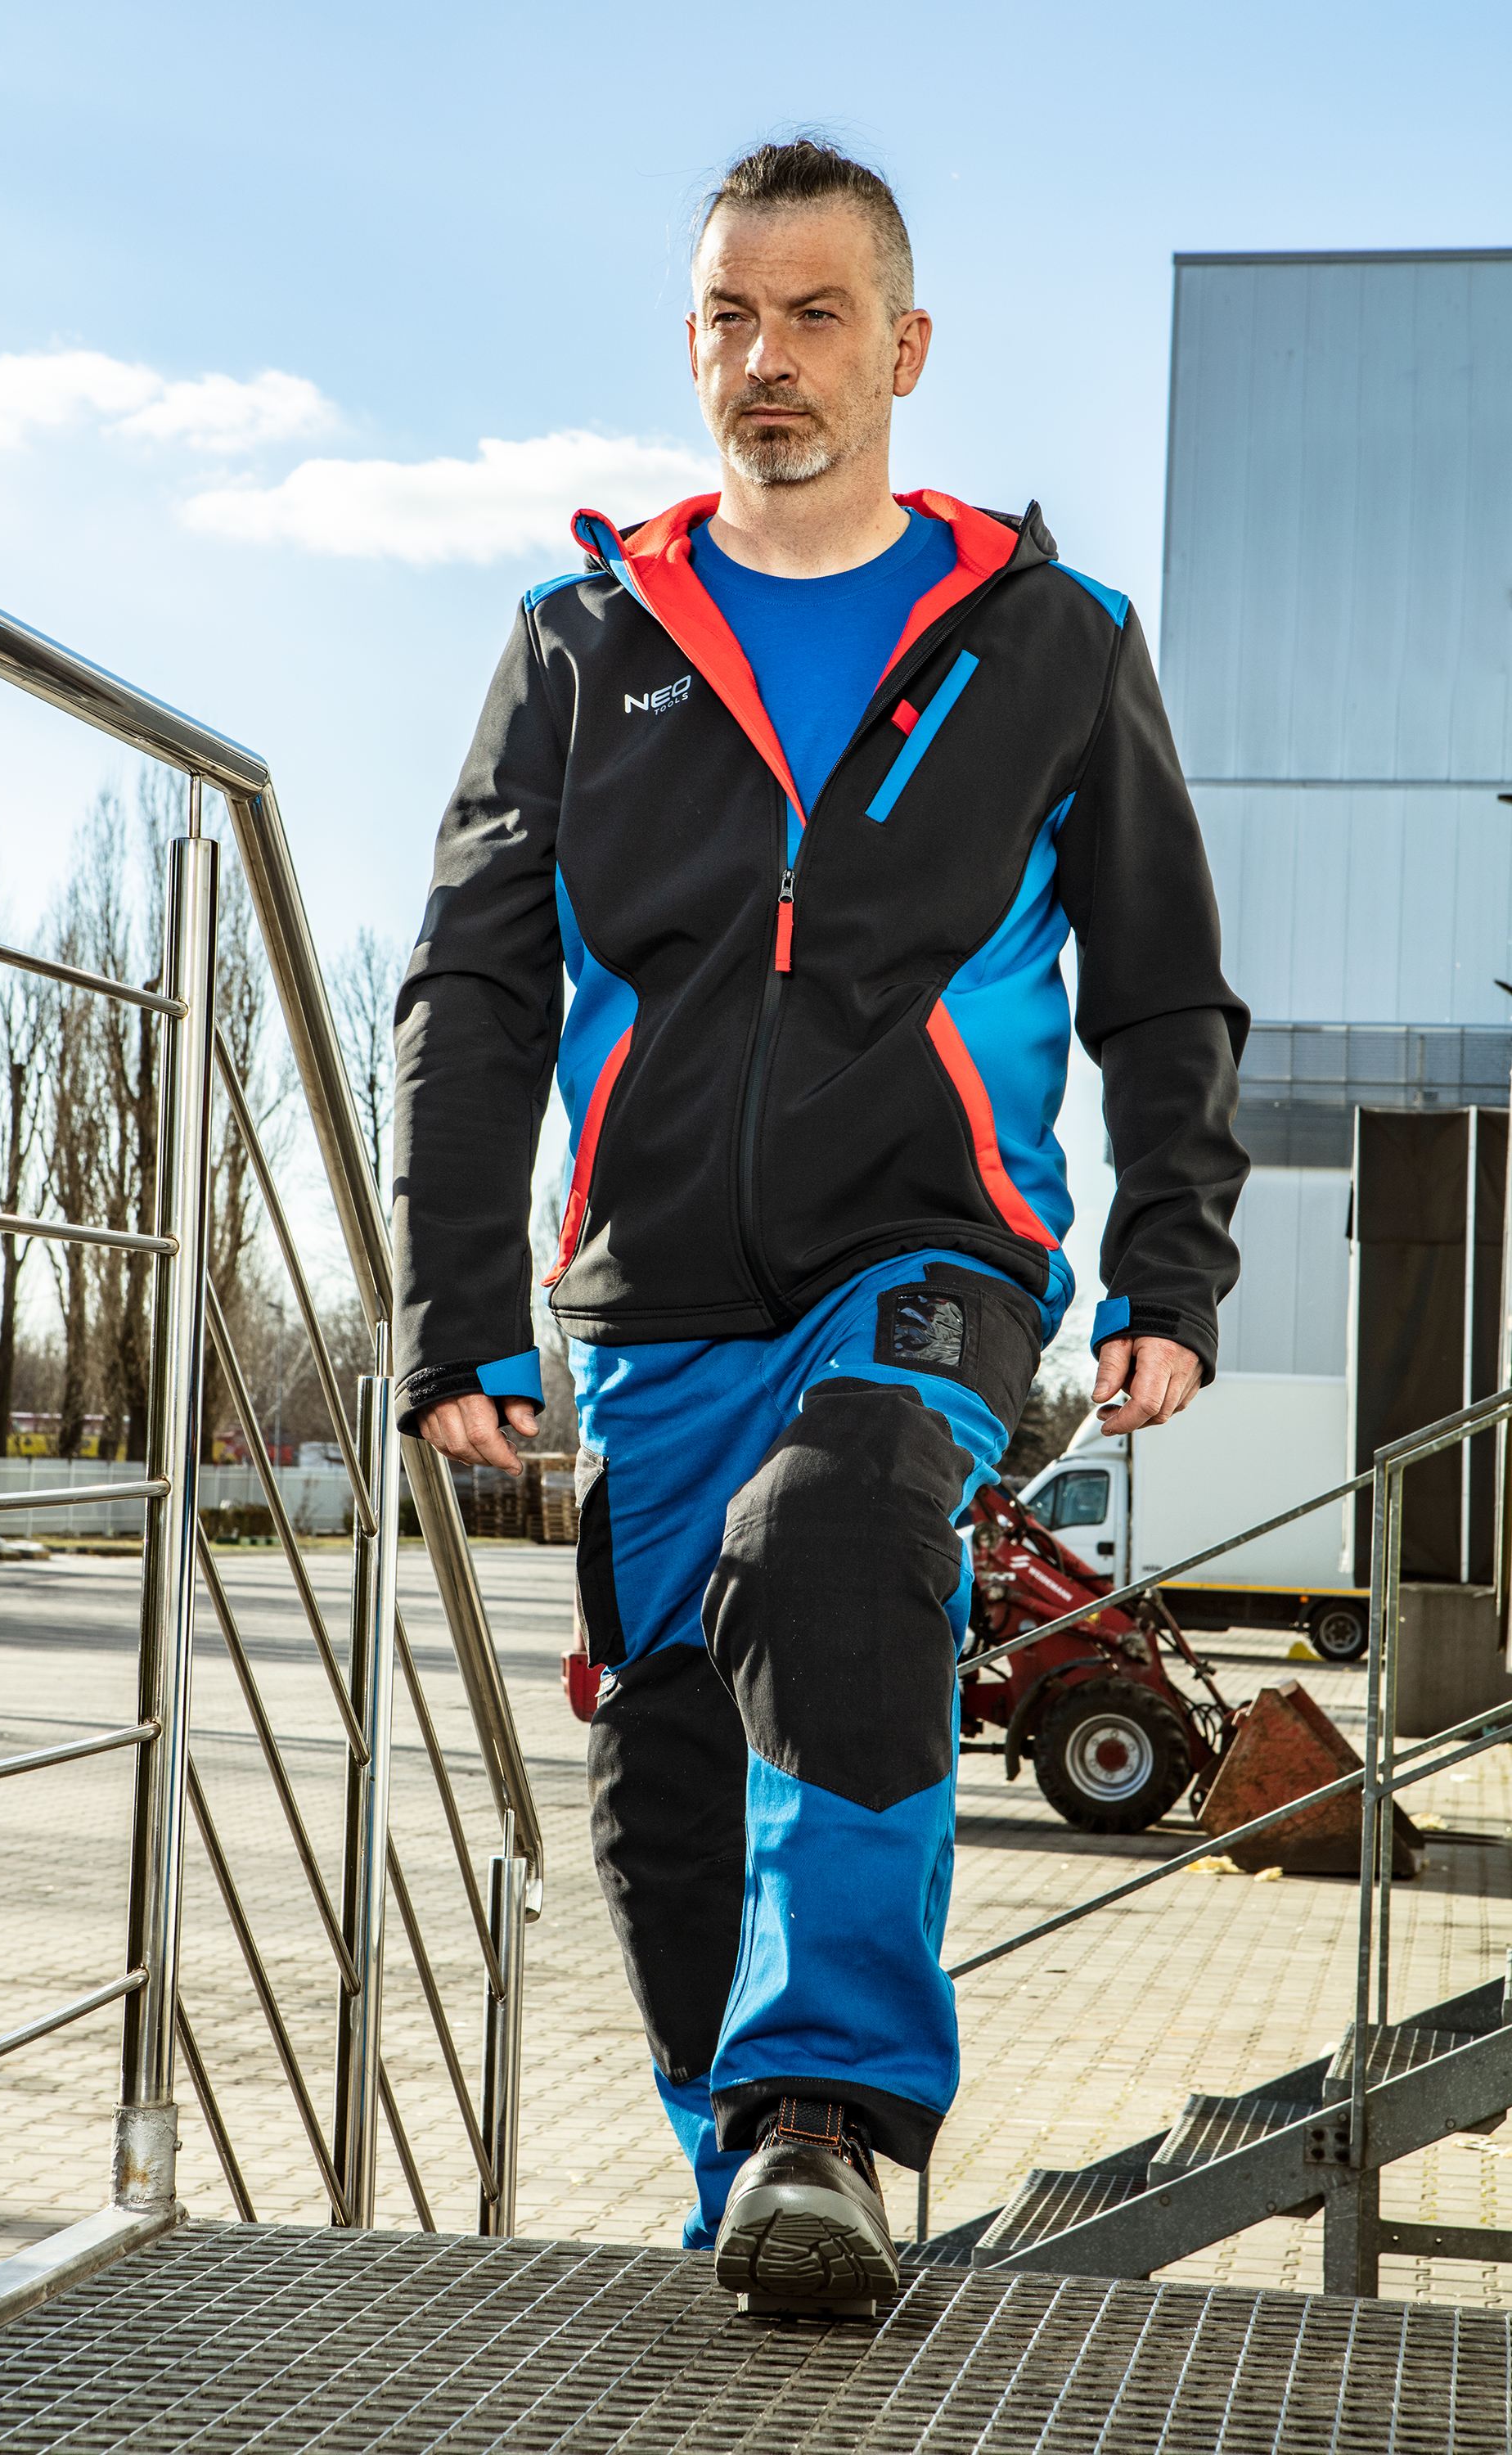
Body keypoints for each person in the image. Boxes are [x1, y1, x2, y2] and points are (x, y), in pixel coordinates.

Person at [394, 137, 1249, 2315]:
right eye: (729, 318)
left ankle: (837, 2112)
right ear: (692, 346)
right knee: (672, 1770)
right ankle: (754, 2182)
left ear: (905, 346)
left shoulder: (1048, 641)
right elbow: (474, 989)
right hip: (655, 1297)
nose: (767, 360)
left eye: (814, 315)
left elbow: (1161, 978)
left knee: (840, 1542)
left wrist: (1170, 1255)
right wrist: (455, 1308)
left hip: (931, 1255)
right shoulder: (581, 644)